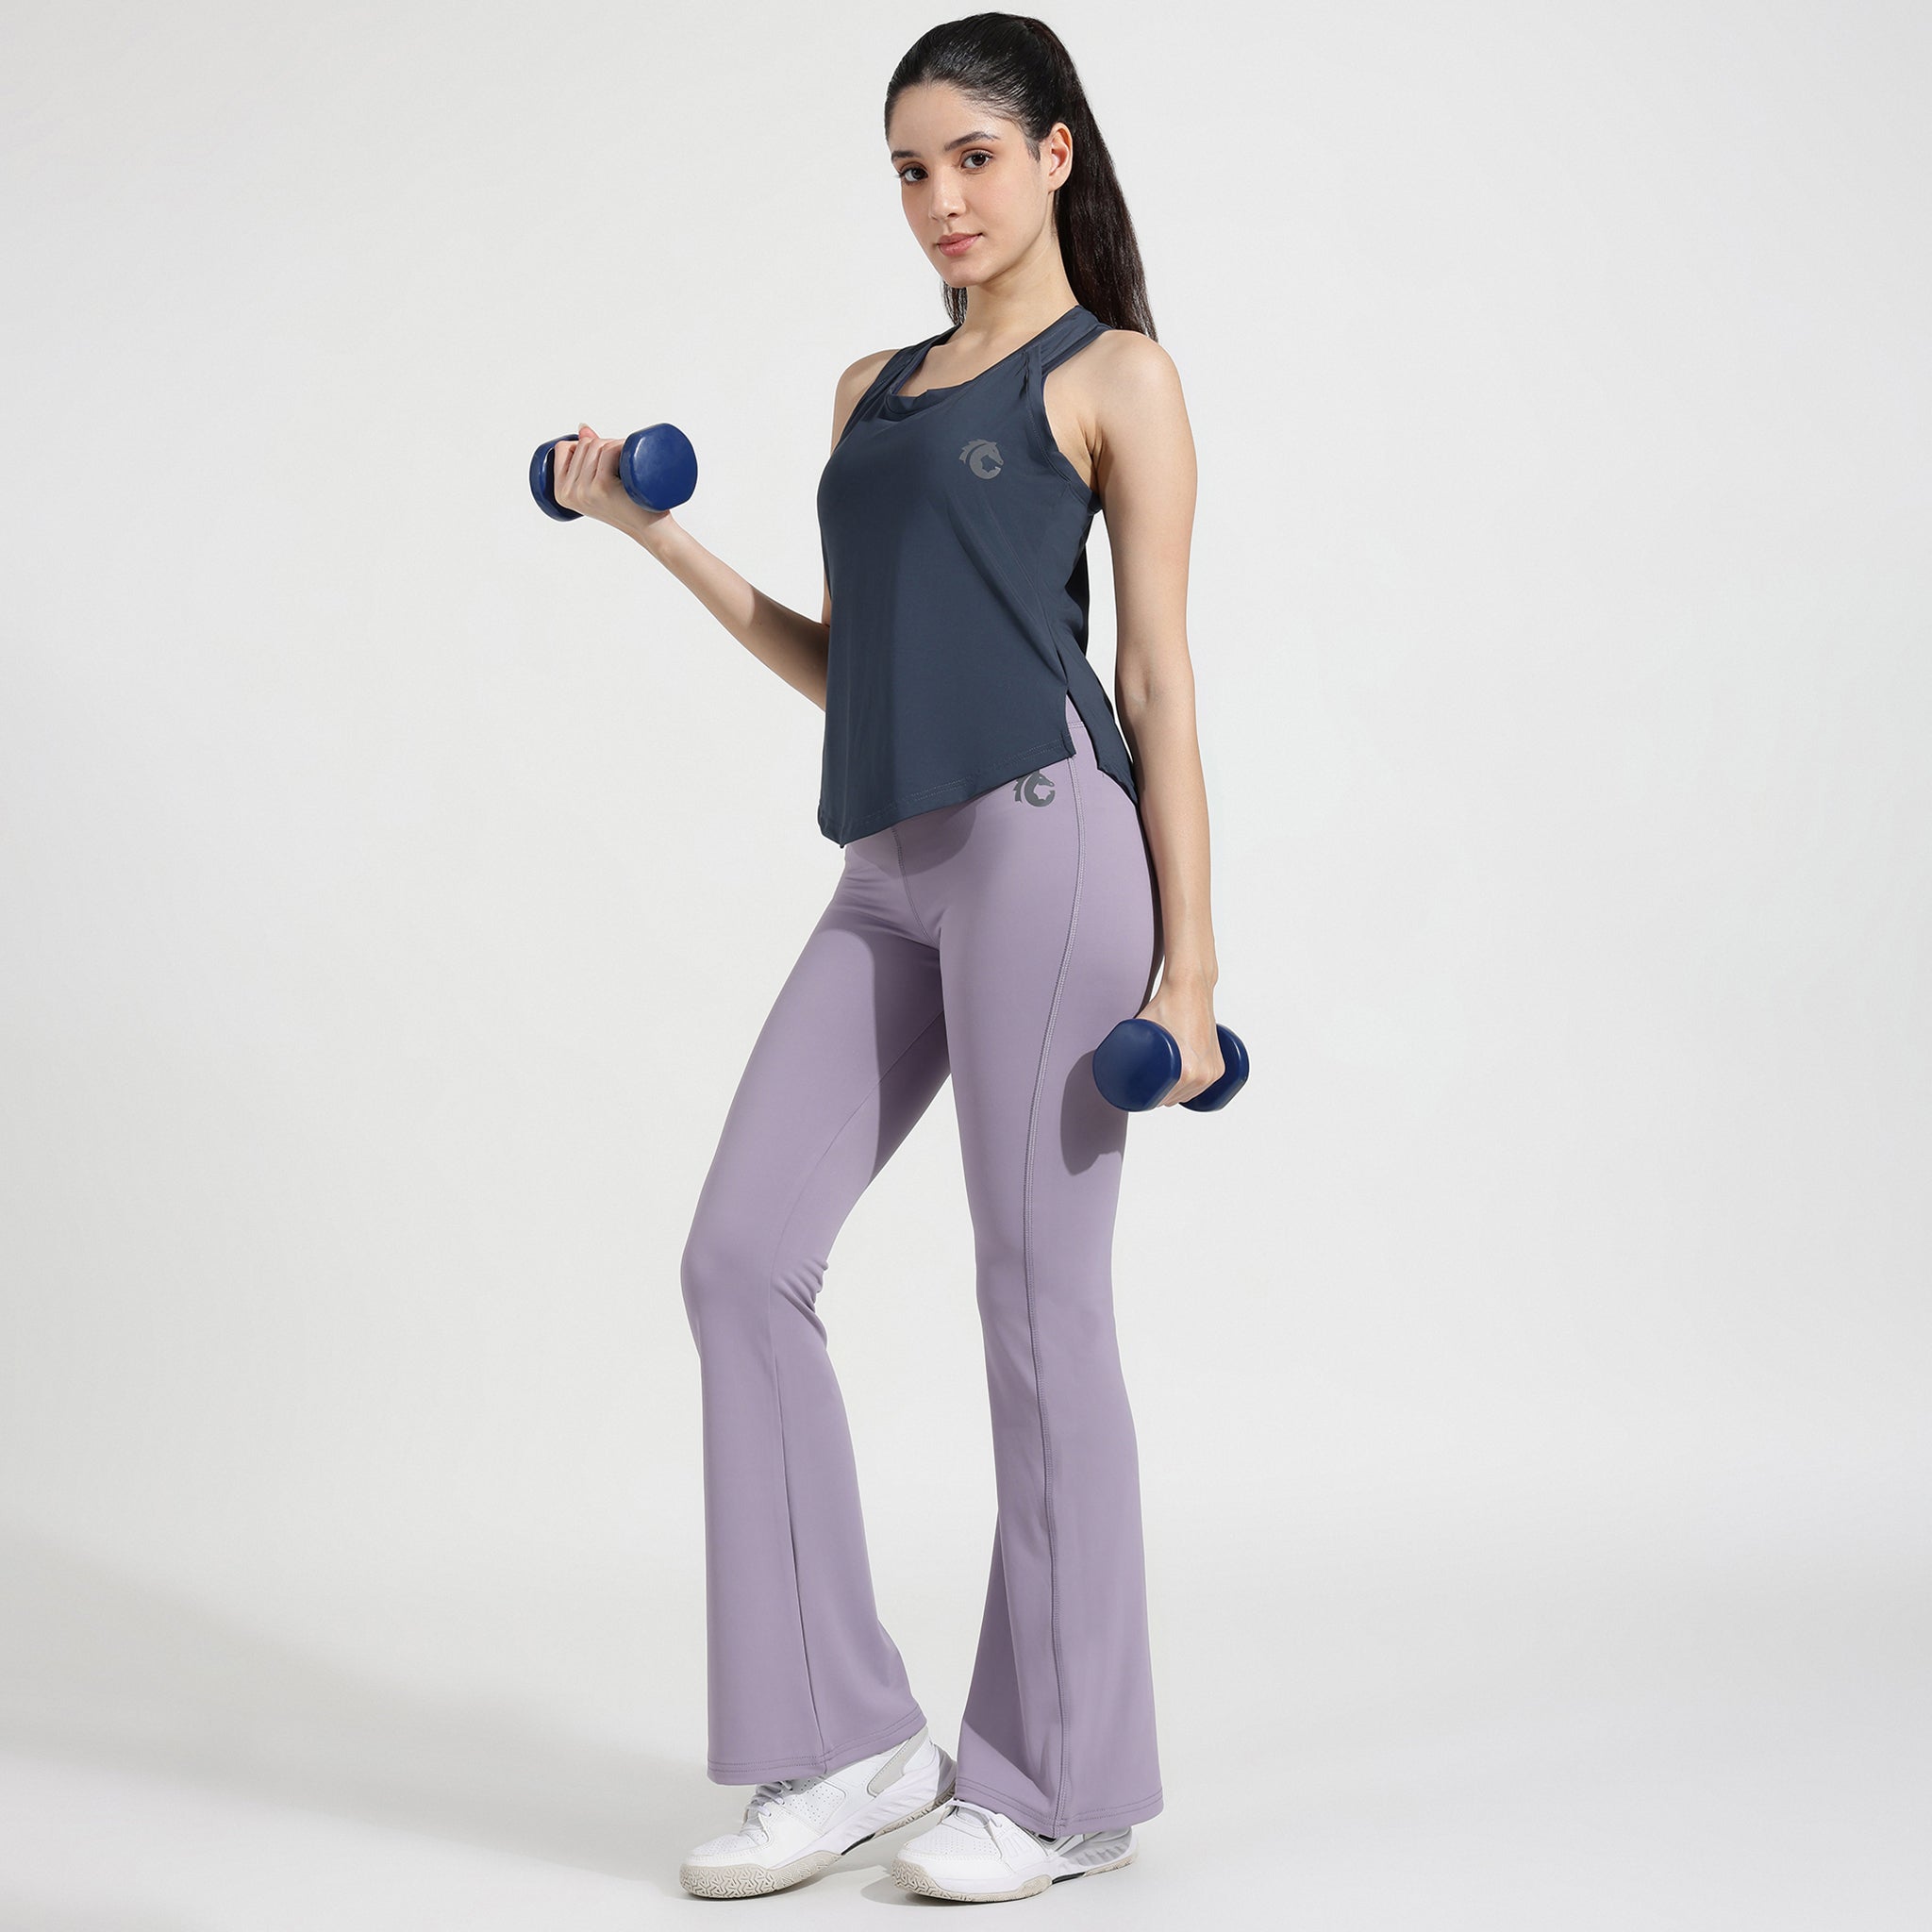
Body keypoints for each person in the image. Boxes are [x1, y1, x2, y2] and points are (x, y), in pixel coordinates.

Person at [550, 12, 1223, 1906]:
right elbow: (849, 668)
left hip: (1048, 848)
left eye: (973, 159)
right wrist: (654, 534)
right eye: (911, 169)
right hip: (890, 867)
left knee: (1037, 1300)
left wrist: (1189, 970)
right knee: (739, 1258)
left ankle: (1064, 1780)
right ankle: (848, 1741)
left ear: (1056, 156)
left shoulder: (1118, 378)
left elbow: (1158, 680)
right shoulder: (872, 390)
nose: (941, 199)